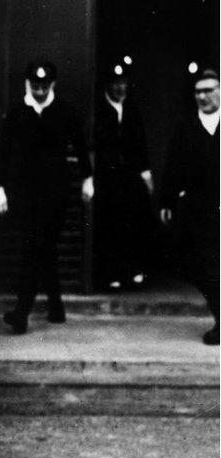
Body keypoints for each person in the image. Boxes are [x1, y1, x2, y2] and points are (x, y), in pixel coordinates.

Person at [0, 60, 93, 334]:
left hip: (56, 194)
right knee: (39, 249)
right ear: (28, 84)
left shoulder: (64, 111)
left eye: (44, 86)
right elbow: (3, 151)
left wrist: (88, 178)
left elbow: (82, 146)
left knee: (37, 248)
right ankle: (54, 306)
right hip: (25, 195)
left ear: (53, 85)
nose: (39, 91)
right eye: (35, 86)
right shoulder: (17, 113)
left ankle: (22, 312)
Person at [160, 64, 220, 345]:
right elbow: (172, 166)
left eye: (208, 91)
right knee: (202, 267)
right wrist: (168, 200)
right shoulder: (186, 126)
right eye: (198, 92)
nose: (202, 96)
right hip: (199, 208)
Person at [91, 56, 155, 290]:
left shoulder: (132, 109)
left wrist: (146, 173)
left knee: (133, 223)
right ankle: (112, 274)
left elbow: (140, 144)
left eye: (123, 82)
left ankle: (134, 270)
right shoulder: (99, 108)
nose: (120, 87)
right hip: (108, 178)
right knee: (109, 225)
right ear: (108, 84)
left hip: (130, 178)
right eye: (116, 82)